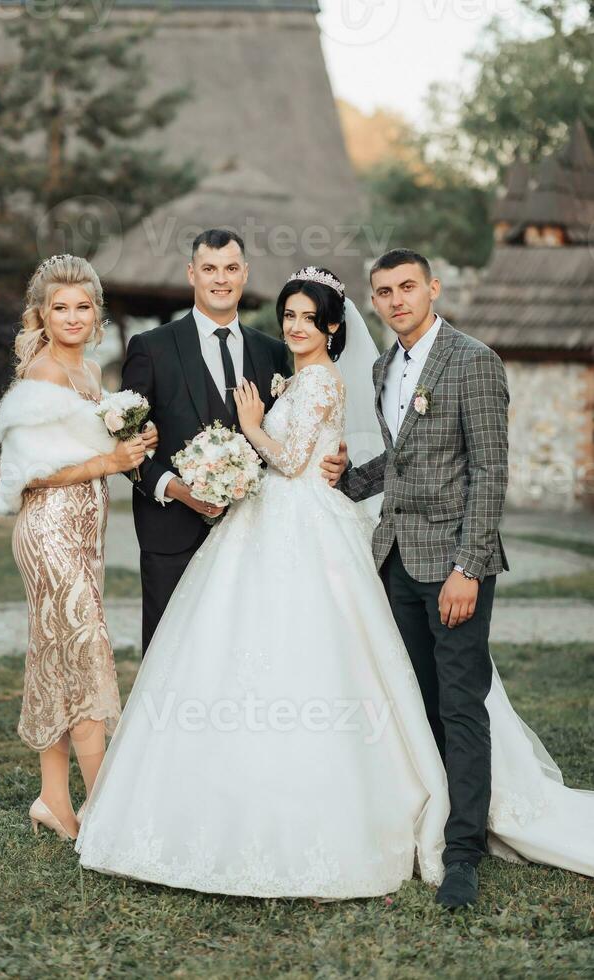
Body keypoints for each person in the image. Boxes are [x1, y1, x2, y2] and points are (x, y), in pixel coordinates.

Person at [76, 266, 594, 902]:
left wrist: (250, 425)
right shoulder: (358, 374)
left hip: (353, 536)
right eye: (287, 316)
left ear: (330, 326)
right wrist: (323, 469)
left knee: (392, 678)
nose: (293, 327)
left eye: (305, 318)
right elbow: (377, 458)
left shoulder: (334, 378)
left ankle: (451, 837)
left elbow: (295, 460)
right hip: (294, 518)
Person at [337, 248, 508, 907]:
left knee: (461, 704)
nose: (396, 299)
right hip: (396, 564)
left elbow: (490, 474)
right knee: (417, 702)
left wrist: (468, 567)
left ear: (433, 288)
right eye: (384, 291)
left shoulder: (473, 360)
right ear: (375, 302)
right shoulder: (385, 366)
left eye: (407, 286)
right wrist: (346, 482)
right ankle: (435, 819)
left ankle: (464, 852)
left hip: (455, 567)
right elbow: (402, 462)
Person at [0, 254, 158, 841]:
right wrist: (107, 461)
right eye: (59, 307)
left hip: (84, 534)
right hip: (49, 532)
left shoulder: (88, 374)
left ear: (96, 314)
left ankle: (54, 802)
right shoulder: (42, 375)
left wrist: (132, 443)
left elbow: (89, 445)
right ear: (41, 314)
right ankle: (110, 814)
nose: (71, 316)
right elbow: (28, 472)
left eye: (82, 307)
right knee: (85, 657)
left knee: (57, 660)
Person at [120, 230, 346, 655]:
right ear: (192, 274)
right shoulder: (151, 348)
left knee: (245, 655)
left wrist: (336, 457)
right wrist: (177, 490)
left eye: (230, 268)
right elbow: (127, 447)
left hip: (258, 534)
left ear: (245, 274)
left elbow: (301, 431)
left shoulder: (276, 353)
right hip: (172, 535)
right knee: (172, 659)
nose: (220, 279)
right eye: (209, 269)